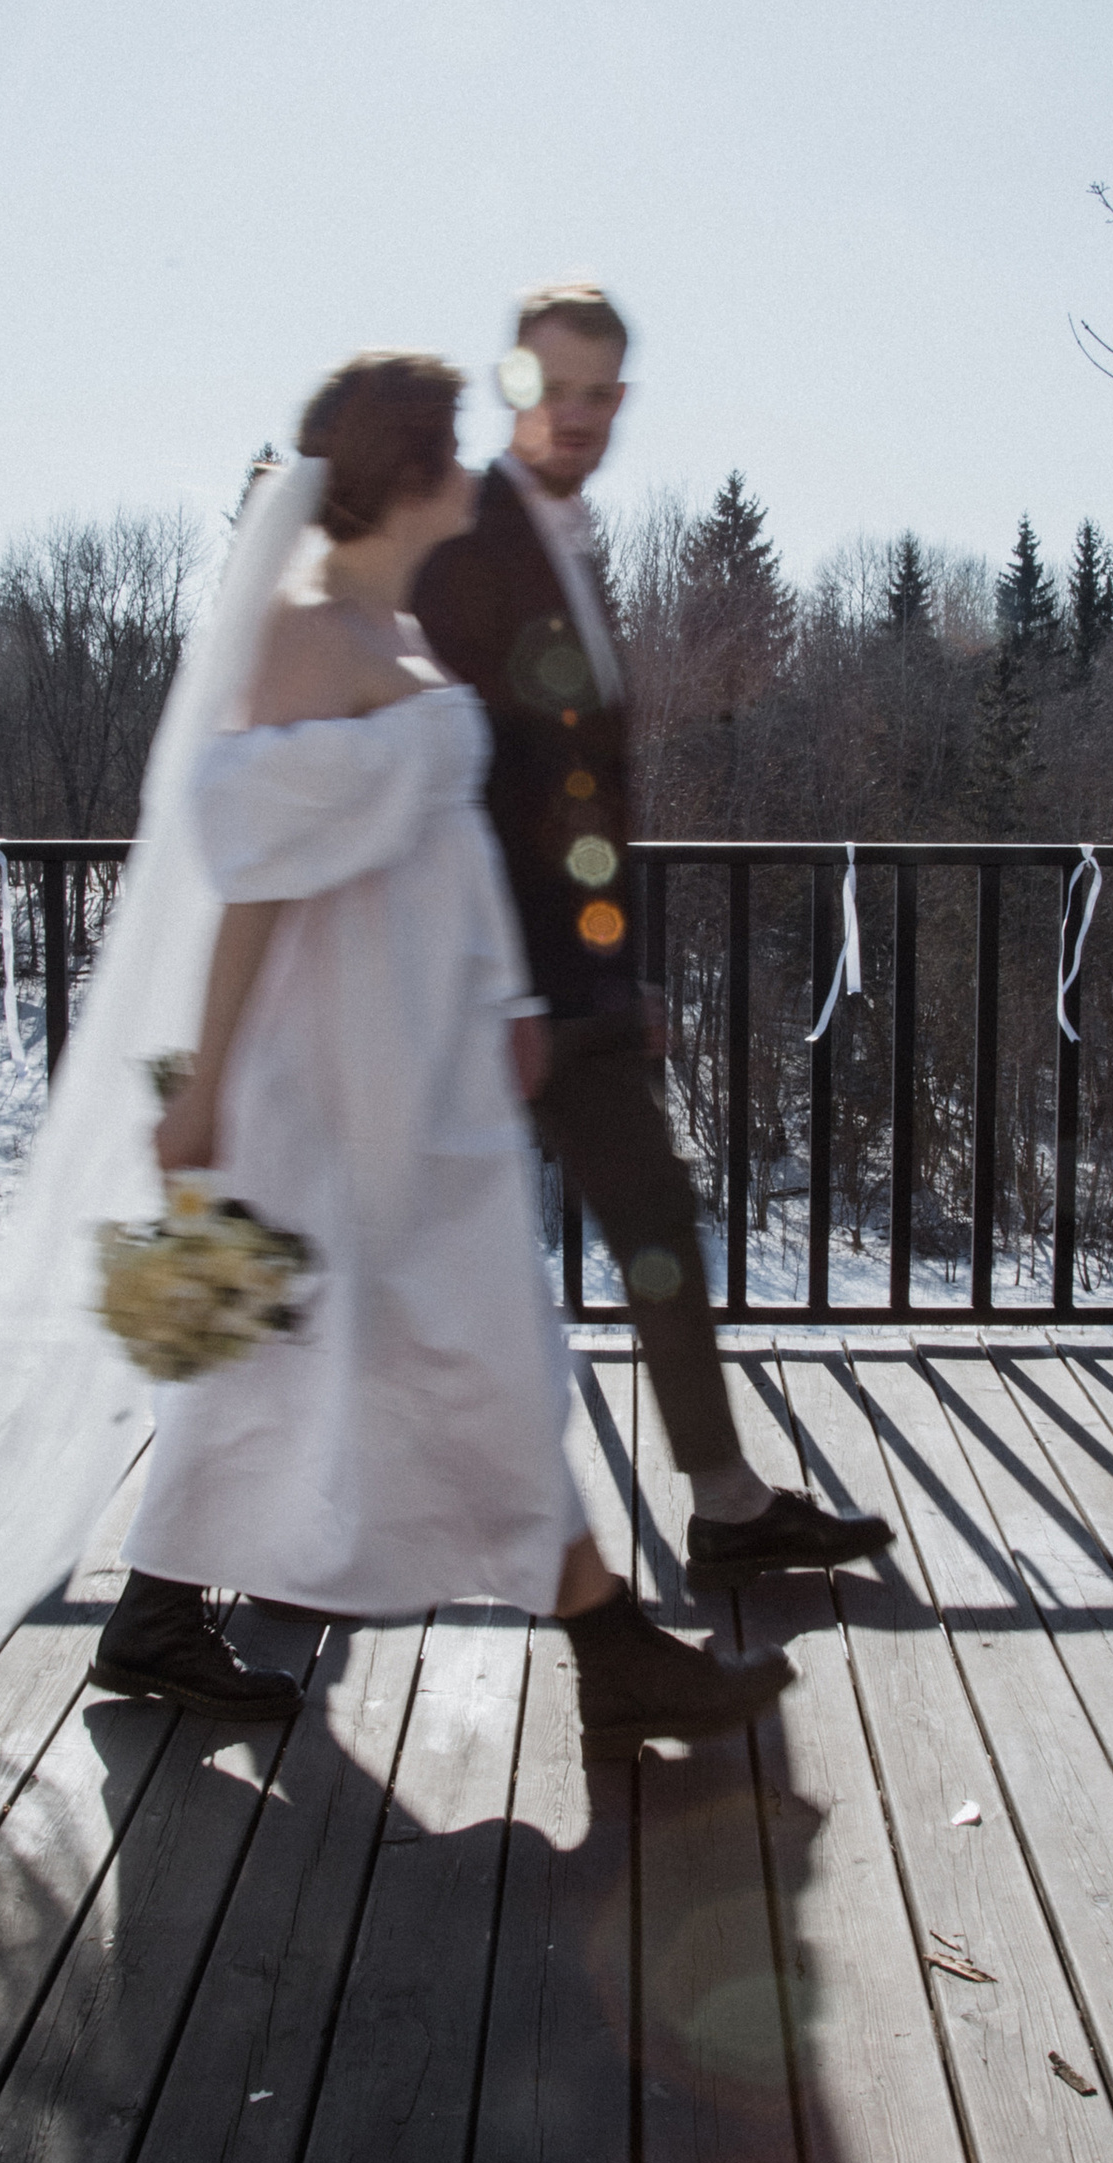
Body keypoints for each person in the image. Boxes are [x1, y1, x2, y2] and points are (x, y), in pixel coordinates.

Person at [92, 351, 790, 1755]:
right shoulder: (304, 632)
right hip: (330, 1071)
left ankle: (160, 1614)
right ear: (407, 469)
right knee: (452, 1349)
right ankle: (608, 1647)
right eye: (457, 444)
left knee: (355, 1349)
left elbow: (435, 847)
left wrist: (507, 1002)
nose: (476, 470)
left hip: (423, 1059)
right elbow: (256, 877)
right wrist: (208, 1088)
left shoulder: (389, 627)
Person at [414, 284, 894, 1584]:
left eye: (598, 393)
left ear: (621, 400)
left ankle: (728, 1509)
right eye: (550, 387)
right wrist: (510, 993)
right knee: (373, 1255)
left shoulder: (567, 544)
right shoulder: (466, 540)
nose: (575, 415)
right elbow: (457, 791)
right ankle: (197, 1571)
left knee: (660, 1227)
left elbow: (582, 803)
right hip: (475, 996)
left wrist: (618, 971)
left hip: (575, 996)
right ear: (510, 385)